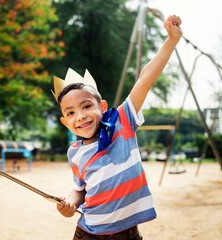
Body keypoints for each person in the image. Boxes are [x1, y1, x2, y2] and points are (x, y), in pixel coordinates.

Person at [52, 15, 182, 240]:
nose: (80, 116)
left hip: (126, 234)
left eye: (86, 106)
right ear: (65, 121)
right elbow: (80, 189)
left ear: (101, 107)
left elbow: (143, 80)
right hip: (88, 232)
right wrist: (69, 204)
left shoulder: (122, 121)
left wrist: (171, 41)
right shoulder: (74, 152)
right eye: (70, 112)